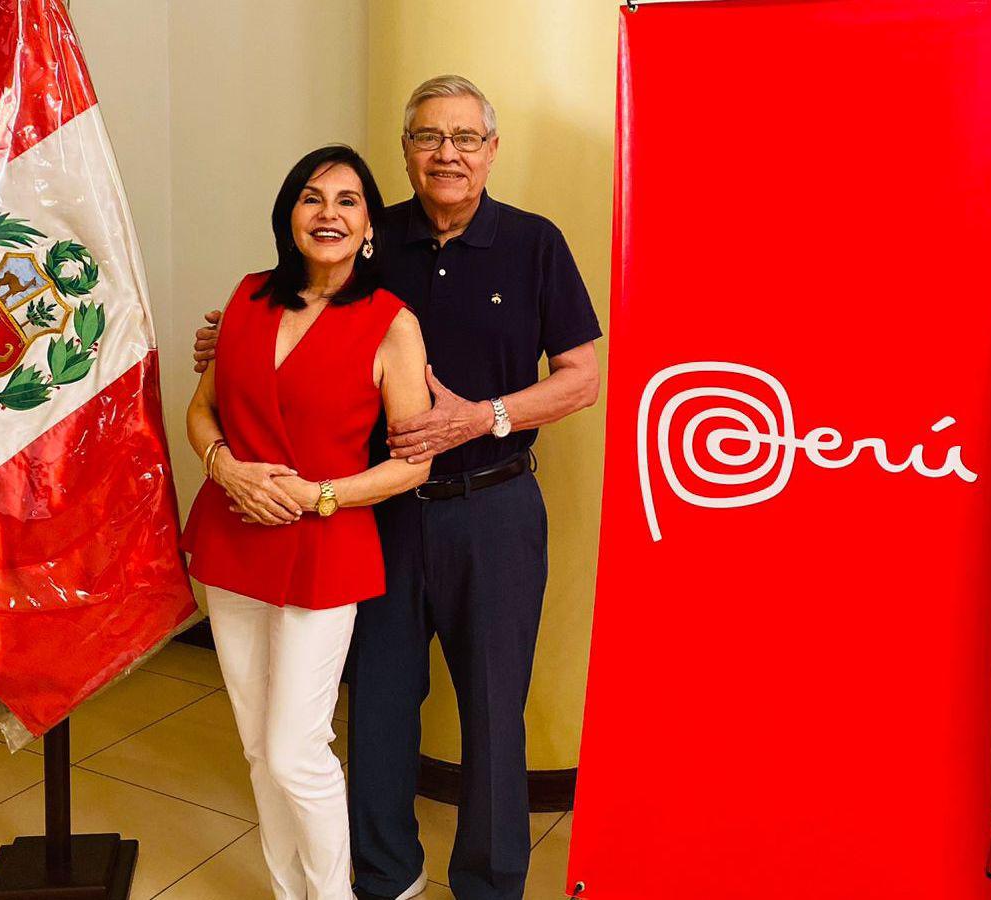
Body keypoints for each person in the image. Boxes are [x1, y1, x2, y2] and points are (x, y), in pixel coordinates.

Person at [195, 76, 602, 900]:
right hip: (378, 516)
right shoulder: (374, 237)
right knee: (378, 703)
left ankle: (489, 882)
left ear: (491, 150)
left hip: (493, 507)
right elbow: (301, 313)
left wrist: (483, 417)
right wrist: (231, 338)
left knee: (494, 708)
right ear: (406, 150)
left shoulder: (534, 242)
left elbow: (581, 378)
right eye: (427, 138)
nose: (446, 154)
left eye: (464, 138)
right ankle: (385, 874)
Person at [181, 144, 432, 900]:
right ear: (289, 216)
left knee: (296, 752)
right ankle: (291, 891)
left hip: (327, 545)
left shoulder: (392, 324)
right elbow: (203, 412)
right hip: (233, 538)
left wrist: (316, 496)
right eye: (311, 198)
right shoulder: (248, 297)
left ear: (368, 228)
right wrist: (225, 466)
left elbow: (411, 463)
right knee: (260, 748)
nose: (328, 213)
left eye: (348, 201)